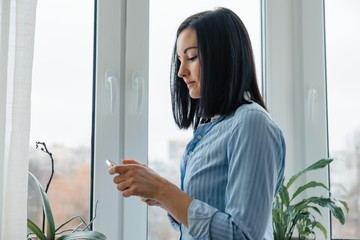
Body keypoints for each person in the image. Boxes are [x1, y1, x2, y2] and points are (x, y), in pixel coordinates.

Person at [108, 7, 286, 239]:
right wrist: (158, 194)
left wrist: (163, 189)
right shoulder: (211, 129)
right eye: (180, 60)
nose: (181, 71)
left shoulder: (251, 124)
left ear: (223, 58)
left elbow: (242, 235)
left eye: (191, 57)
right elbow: (200, 225)